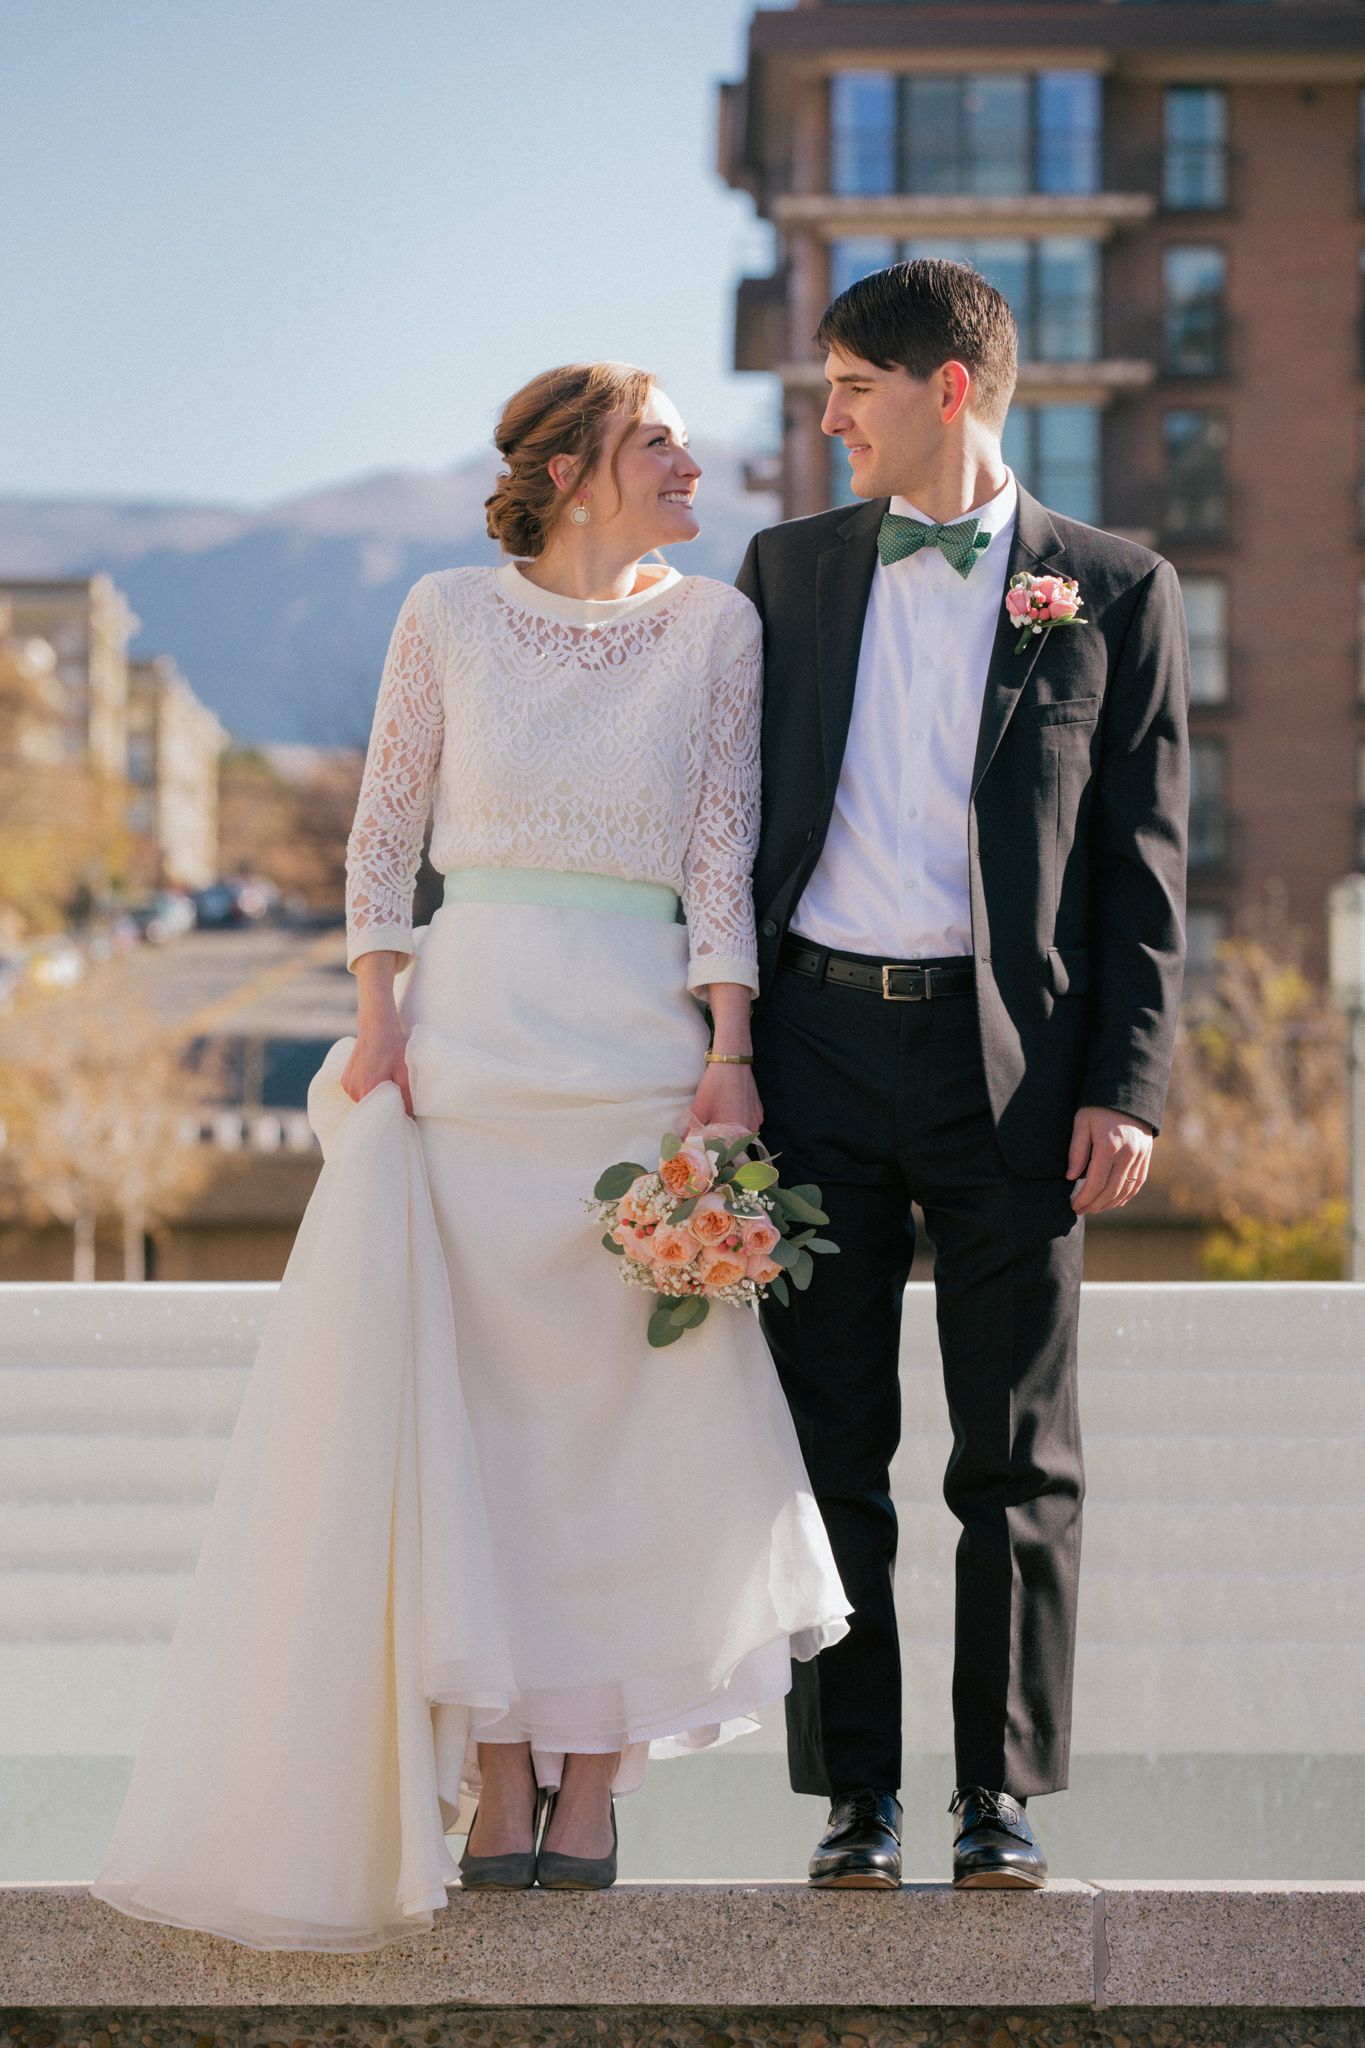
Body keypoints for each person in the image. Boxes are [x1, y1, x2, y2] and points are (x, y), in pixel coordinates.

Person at [91, 360, 849, 1951]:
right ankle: (496, 1771)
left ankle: (593, 1781)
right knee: (475, 1429)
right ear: (574, 472)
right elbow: (384, 828)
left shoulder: (715, 627)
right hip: (469, 1054)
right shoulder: (441, 611)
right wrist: (376, 1020)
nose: (687, 458)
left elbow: (722, 848)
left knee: (629, 1427)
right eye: (656, 440)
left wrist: (726, 1058)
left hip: (638, 1058)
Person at [739, 261, 1189, 1891]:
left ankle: (993, 1802)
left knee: (1014, 1453)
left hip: (1019, 1073)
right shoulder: (782, 573)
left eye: (851, 384)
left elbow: (1144, 868)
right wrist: (719, 1052)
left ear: (948, 388)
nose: (827, 414)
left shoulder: (1115, 588)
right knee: (823, 1444)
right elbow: (729, 829)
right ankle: (851, 1805)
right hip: (811, 1057)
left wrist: (1126, 1086)